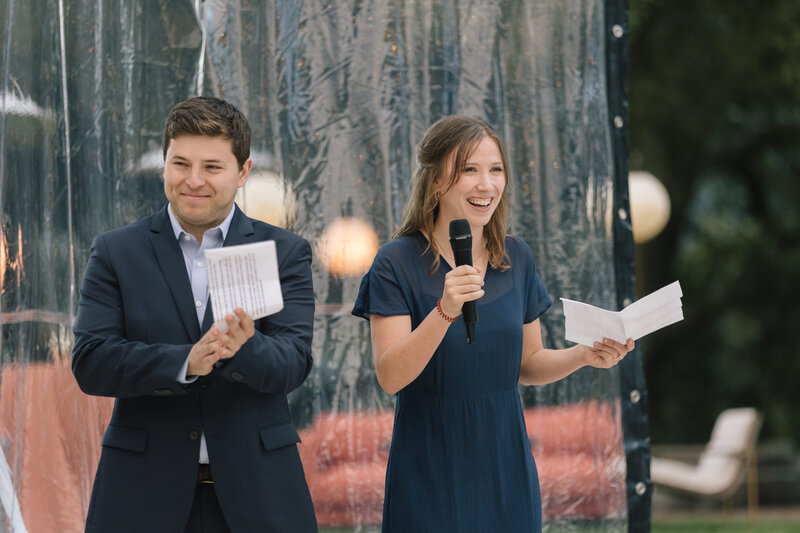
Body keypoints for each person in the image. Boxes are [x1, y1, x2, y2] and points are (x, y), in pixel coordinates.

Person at [352, 115, 634, 532]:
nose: (487, 184)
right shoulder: (396, 262)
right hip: (430, 464)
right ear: (435, 182)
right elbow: (391, 376)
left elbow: (528, 363)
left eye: (496, 170)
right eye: (470, 170)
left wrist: (583, 355)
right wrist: (445, 310)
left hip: (506, 465)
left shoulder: (515, 258)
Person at [72, 96, 317, 533]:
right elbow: (91, 361)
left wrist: (246, 348)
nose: (194, 181)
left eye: (213, 167)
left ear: (243, 172)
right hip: (139, 497)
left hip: (260, 499)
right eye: (180, 163)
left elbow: (294, 362)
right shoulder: (116, 251)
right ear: (165, 164)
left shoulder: (284, 252)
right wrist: (184, 362)